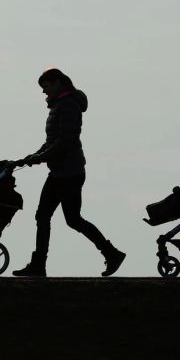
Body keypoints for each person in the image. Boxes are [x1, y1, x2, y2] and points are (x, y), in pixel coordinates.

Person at [13, 68, 126, 277]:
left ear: (57, 83)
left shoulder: (68, 106)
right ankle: (39, 265)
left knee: (71, 219)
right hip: (59, 172)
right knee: (47, 217)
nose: (44, 92)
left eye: (45, 86)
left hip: (69, 173)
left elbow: (65, 141)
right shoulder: (59, 106)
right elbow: (52, 141)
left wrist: (39, 157)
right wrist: (33, 156)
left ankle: (111, 253)